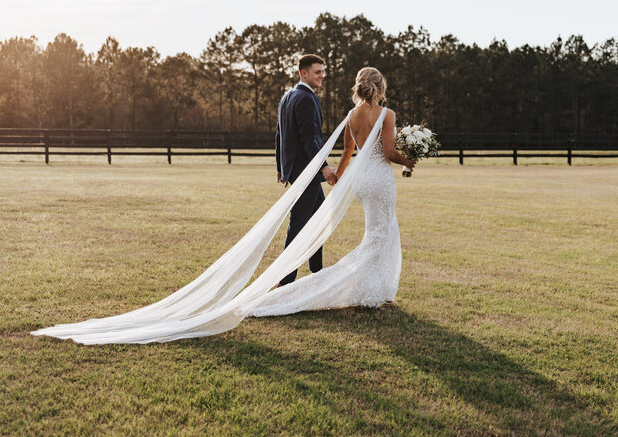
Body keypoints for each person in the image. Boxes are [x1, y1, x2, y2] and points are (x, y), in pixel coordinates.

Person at [31, 67, 417, 344]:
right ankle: (297, 289)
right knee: (348, 232)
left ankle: (337, 283)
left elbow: (332, 147)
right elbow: (364, 148)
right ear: (379, 88)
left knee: (341, 231)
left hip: (355, 180)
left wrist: (334, 175)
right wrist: (408, 159)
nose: (320, 78)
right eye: (317, 72)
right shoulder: (369, 110)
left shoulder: (342, 113)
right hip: (370, 179)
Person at [246, 67, 415, 316]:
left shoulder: (351, 115)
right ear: (380, 88)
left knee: (382, 230)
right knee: (378, 235)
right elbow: (389, 152)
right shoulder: (387, 114)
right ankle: (355, 287)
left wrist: (339, 175)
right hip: (379, 179)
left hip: (361, 180)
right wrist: (408, 161)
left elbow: (347, 152)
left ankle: (379, 288)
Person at [275, 54, 338, 286]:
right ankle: (285, 279)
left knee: (318, 219)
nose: (322, 76)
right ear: (304, 73)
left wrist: (281, 168)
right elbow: (309, 138)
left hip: (297, 171)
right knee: (299, 224)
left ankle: (316, 270)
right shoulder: (305, 98)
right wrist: (323, 167)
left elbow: (280, 135)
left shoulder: (287, 96)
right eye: (317, 72)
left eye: (322, 71)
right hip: (307, 172)